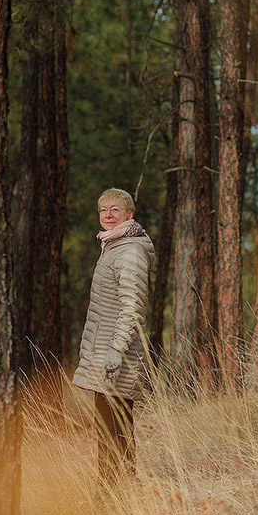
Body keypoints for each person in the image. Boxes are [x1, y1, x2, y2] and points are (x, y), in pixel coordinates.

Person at [71, 188, 156, 484]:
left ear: (129, 215)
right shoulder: (114, 246)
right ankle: (121, 501)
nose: (108, 215)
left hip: (117, 360)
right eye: (103, 210)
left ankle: (110, 503)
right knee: (114, 433)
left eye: (115, 210)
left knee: (112, 435)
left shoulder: (130, 251)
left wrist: (115, 352)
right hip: (107, 357)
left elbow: (132, 308)